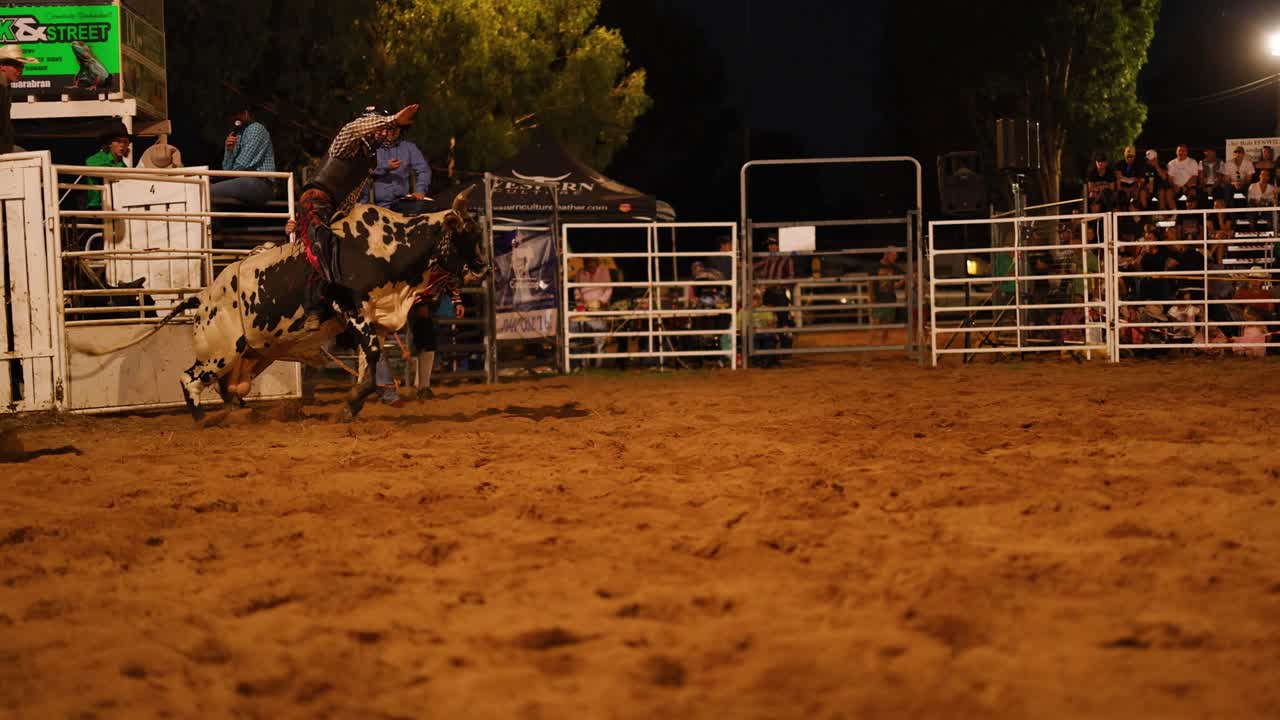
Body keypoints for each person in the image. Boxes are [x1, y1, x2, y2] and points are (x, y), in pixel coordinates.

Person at [294, 102, 419, 318]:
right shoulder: (348, 138)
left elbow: (349, 198)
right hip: (314, 202)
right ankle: (315, 305)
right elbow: (357, 127)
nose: (385, 134)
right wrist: (392, 120)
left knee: (346, 250)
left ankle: (337, 306)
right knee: (323, 244)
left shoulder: (368, 160)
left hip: (331, 210)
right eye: (380, 127)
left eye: (389, 130)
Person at [360, 109, 432, 215]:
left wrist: (420, 191)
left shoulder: (409, 147)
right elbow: (364, 169)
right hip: (375, 204)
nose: (392, 132)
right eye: (389, 128)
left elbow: (424, 170)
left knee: (428, 209)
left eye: (396, 128)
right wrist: (385, 167)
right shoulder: (371, 147)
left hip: (401, 202)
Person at [210, 105, 276, 206]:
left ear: (246, 113)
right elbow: (227, 170)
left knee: (208, 190)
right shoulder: (238, 133)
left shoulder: (255, 129)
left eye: (238, 114)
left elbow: (242, 165)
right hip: (242, 181)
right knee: (208, 191)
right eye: (232, 115)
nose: (235, 118)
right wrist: (229, 151)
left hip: (260, 183)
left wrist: (223, 175)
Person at [753, 233, 795, 346]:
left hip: (780, 293)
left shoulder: (786, 259)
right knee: (767, 319)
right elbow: (754, 266)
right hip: (769, 293)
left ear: (779, 246)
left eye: (773, 244)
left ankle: (786, 347)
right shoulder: (767, 259)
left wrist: (779, 283)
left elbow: (791, 277)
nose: (770, 247)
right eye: (769, 245)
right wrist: (742, 266)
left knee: (782, 320)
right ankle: (769, 347)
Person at [84, 126, 131, 210]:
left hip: (116, 206)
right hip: (96, 206)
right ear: (110, 144)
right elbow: (89, 162)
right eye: (118, 141)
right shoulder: (99, 158)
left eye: (125, 142)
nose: (122, 145)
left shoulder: (123, 165)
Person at [0, 45, 36, 154]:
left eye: (22, 66)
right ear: (2, 66)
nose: (20, 70)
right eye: (16, 66)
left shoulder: (6, 87)